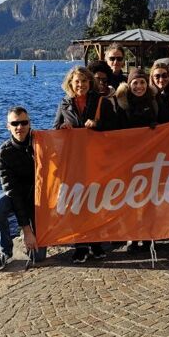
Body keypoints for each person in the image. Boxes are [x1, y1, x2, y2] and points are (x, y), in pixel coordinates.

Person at [53, 66, 116, 263]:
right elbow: (56, 128)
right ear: (70, 83)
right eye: (77, 81)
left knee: (95, 202)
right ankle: (80, 245)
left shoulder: (100, 102)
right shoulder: (64, 104)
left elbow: (114, 127)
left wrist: (96, 125)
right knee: (77, 203)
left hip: (96, 159)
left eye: (84, 81)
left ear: (90, 83)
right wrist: (63, 128)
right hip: (74, 161)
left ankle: (96, 243)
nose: (81, 85)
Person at [0, 106, 42, 271]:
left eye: (24, 122)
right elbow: (13, 193)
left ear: (29, 123)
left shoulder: (41, 142)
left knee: (38, 257)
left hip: (39, 197)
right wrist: (26, 230)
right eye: (15, 123)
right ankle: (5, 250)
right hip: (16, 195)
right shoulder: (2, 154)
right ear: (8, 126)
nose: (20, 127)